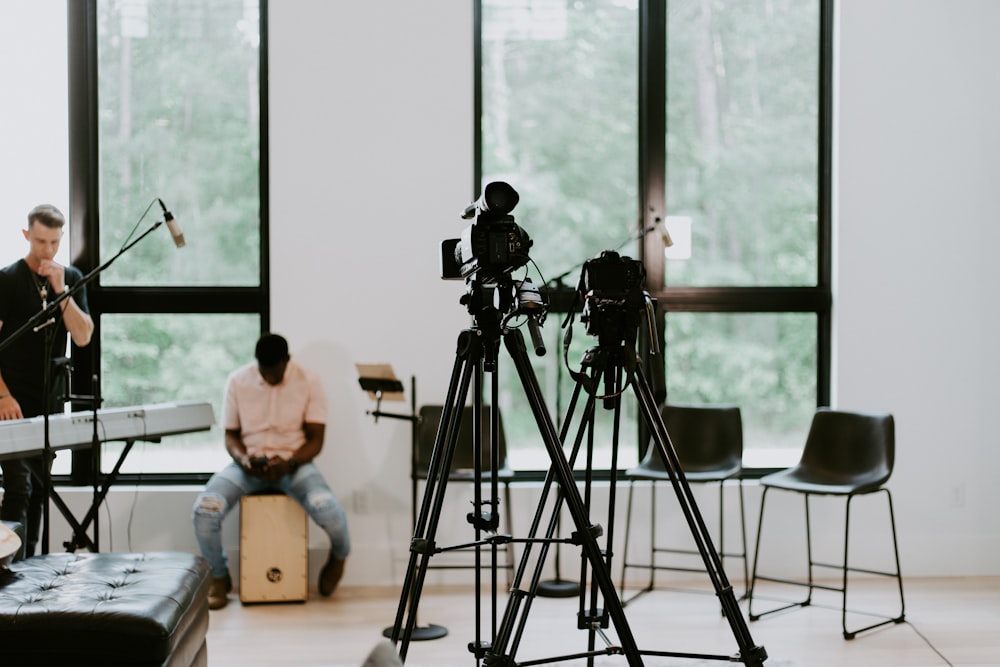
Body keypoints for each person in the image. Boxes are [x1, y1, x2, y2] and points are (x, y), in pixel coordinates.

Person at [192, 332, 350, 609]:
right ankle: (219, 577)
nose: (269, 379)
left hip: (295, 464)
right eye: (264, 373)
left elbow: (316, 440)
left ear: (287, 361)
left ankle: (339, 557)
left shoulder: (309, 380)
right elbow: (230, 436)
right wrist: (244, 460)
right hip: (247, 466)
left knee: (330, 512)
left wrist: (288, 463)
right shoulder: (238, 380)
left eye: (274, 373)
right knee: (205, 511)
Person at [0, 204, 94, 558]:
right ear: (27, 236)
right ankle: (7, 566)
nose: (48, 250)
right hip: (10, 403)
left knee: (40, 490)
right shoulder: (7, 280)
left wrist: (61, 290)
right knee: (19, 489)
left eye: (55, 242)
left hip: (49, 404)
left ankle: (30, 569)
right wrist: (3, 397)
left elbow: (83, 336)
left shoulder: (69, 277)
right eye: (41, 241)